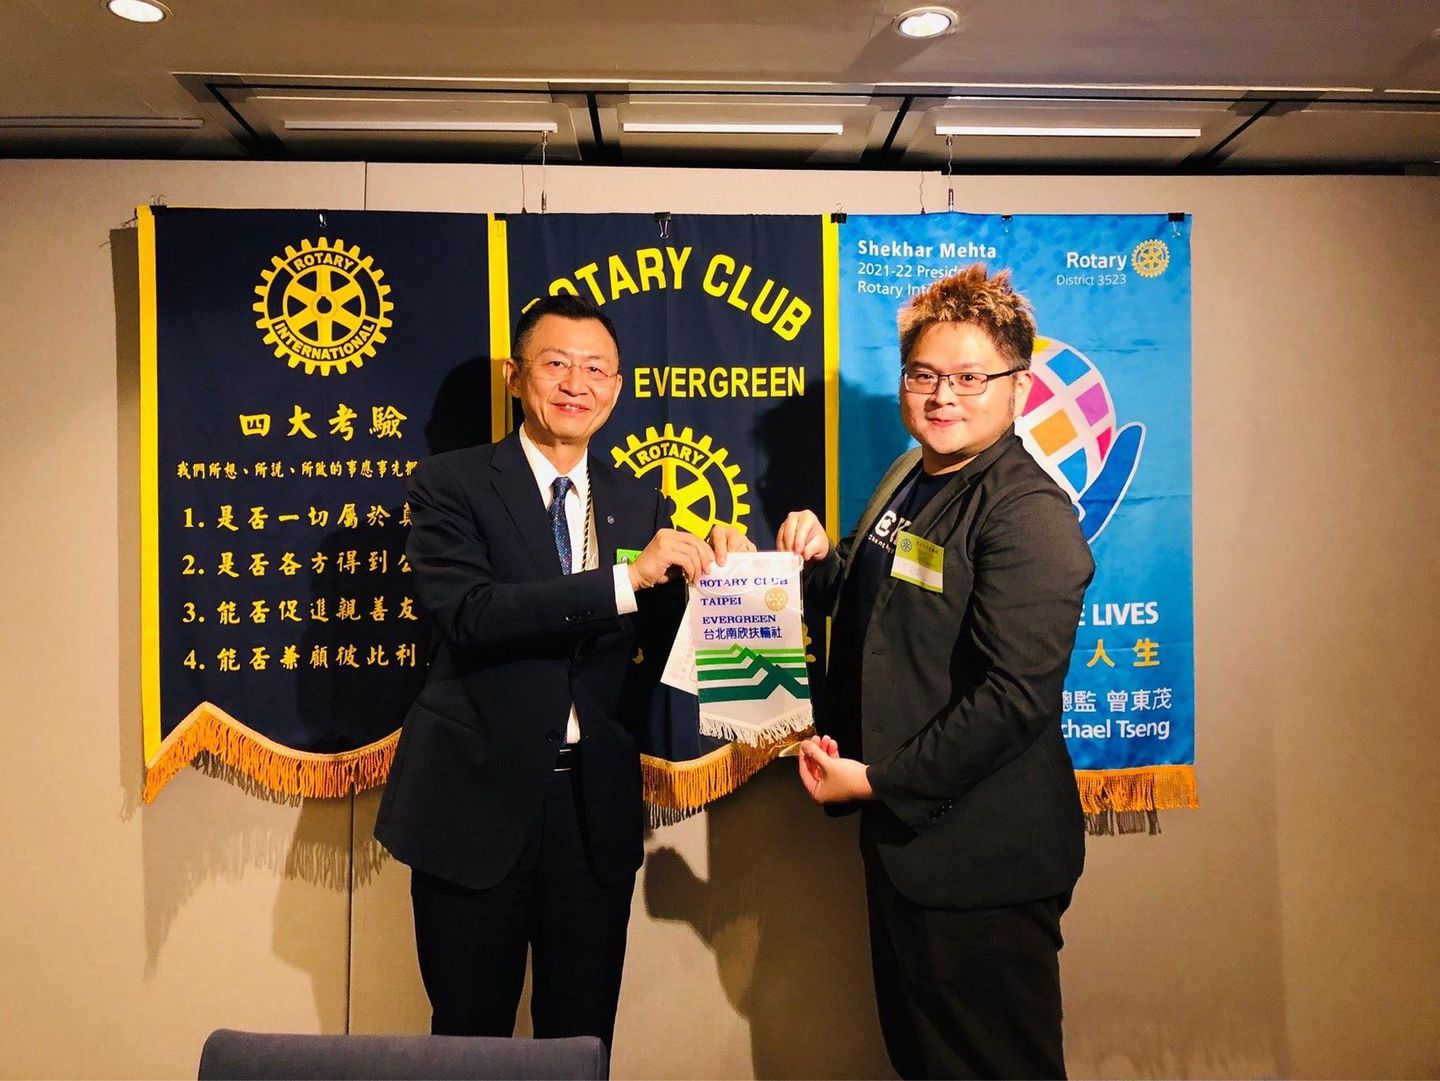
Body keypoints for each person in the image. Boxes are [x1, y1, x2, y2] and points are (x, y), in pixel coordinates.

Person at [718, 264, 1094, 1079]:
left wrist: (878, 780)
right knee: (925, 1059)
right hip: (912, 850)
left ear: (1018, 389)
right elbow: (868, 587)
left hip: (983, 860)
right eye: (924, 375)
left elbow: (1013, 700)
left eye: (968, 377)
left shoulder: (1026, 513)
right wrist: (795, 566)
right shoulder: (911, 474)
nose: (942, 396)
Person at [374, 293, 713, 1050]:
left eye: (596, 369)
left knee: (582, 1040)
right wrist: (626, 582)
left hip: (591, 812)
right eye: (555, 363)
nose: (576, 383)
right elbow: (470, 611)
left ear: (617, 388)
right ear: (515, 376)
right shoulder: (449, 484)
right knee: (468, 1041)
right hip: (475, 801)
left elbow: (661, 642)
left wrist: (722, 569)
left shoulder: (636, 499)